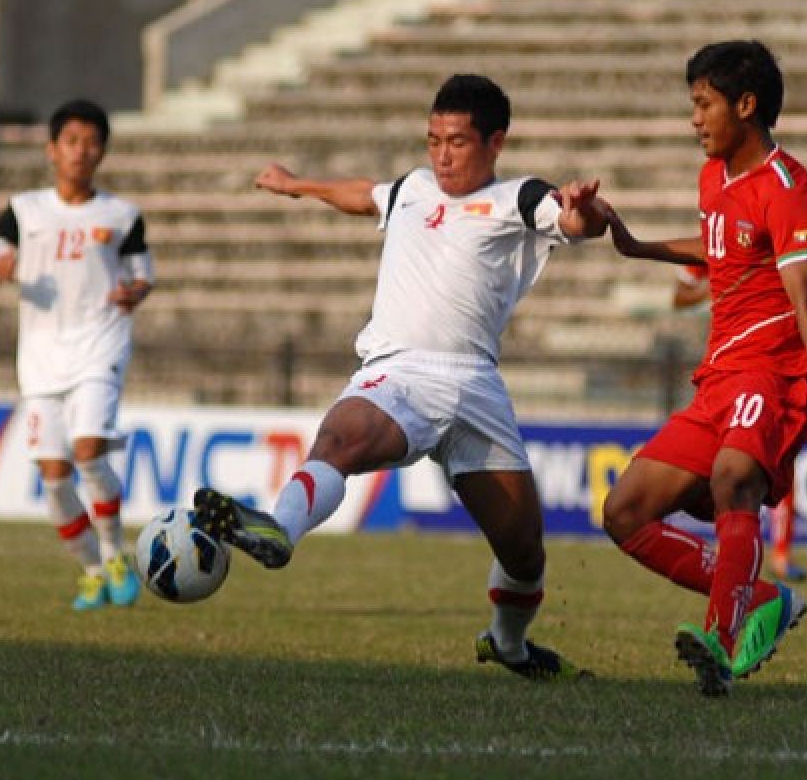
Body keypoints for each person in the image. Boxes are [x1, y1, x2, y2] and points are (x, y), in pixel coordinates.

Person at [194, 74, 606, 680]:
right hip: (399, 371)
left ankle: (509, 646)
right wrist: (296, 186)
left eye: (458, 142)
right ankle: (278, 529)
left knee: (523, 554)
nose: (441, 154)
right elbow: (365, 194)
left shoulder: (520, 197)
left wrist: (582, 212)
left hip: (476, 389)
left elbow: (575, 225)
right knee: (339, 443)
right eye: (433, 139)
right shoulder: (413, 188)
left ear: (496, 142)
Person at [596, 41, 807, 696]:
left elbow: (806, 295)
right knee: (625, 513)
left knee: (732, 478)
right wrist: (637, 245)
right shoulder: (713, 177)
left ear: (745, 106)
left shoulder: (789, 190)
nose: (694, 118)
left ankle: (721, 637)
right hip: (717, 377)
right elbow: (719, 251)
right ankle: (762, 597)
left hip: (773, 377)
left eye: (703, 103)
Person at [0, 99, 154, 611]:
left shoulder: (122, 216)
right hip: (40, 358)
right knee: (54, 480)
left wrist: (134, 293)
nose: (81, 151)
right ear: (52, 150)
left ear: (102, 152)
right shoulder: (22, 210)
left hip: (100, 346)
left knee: (89, 448)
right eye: (71, 141)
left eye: (91, 142)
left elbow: (144, 275)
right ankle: (93, 571)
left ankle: (116, 553)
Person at [672, 263, 807, 583]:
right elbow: (678, 297)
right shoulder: (714, 243)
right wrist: (722, 285)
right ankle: (728, 549)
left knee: (777, 461)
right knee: (727, 465)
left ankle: (781, 555)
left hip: (770, 363)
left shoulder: (770, 238)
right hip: (728, 365)